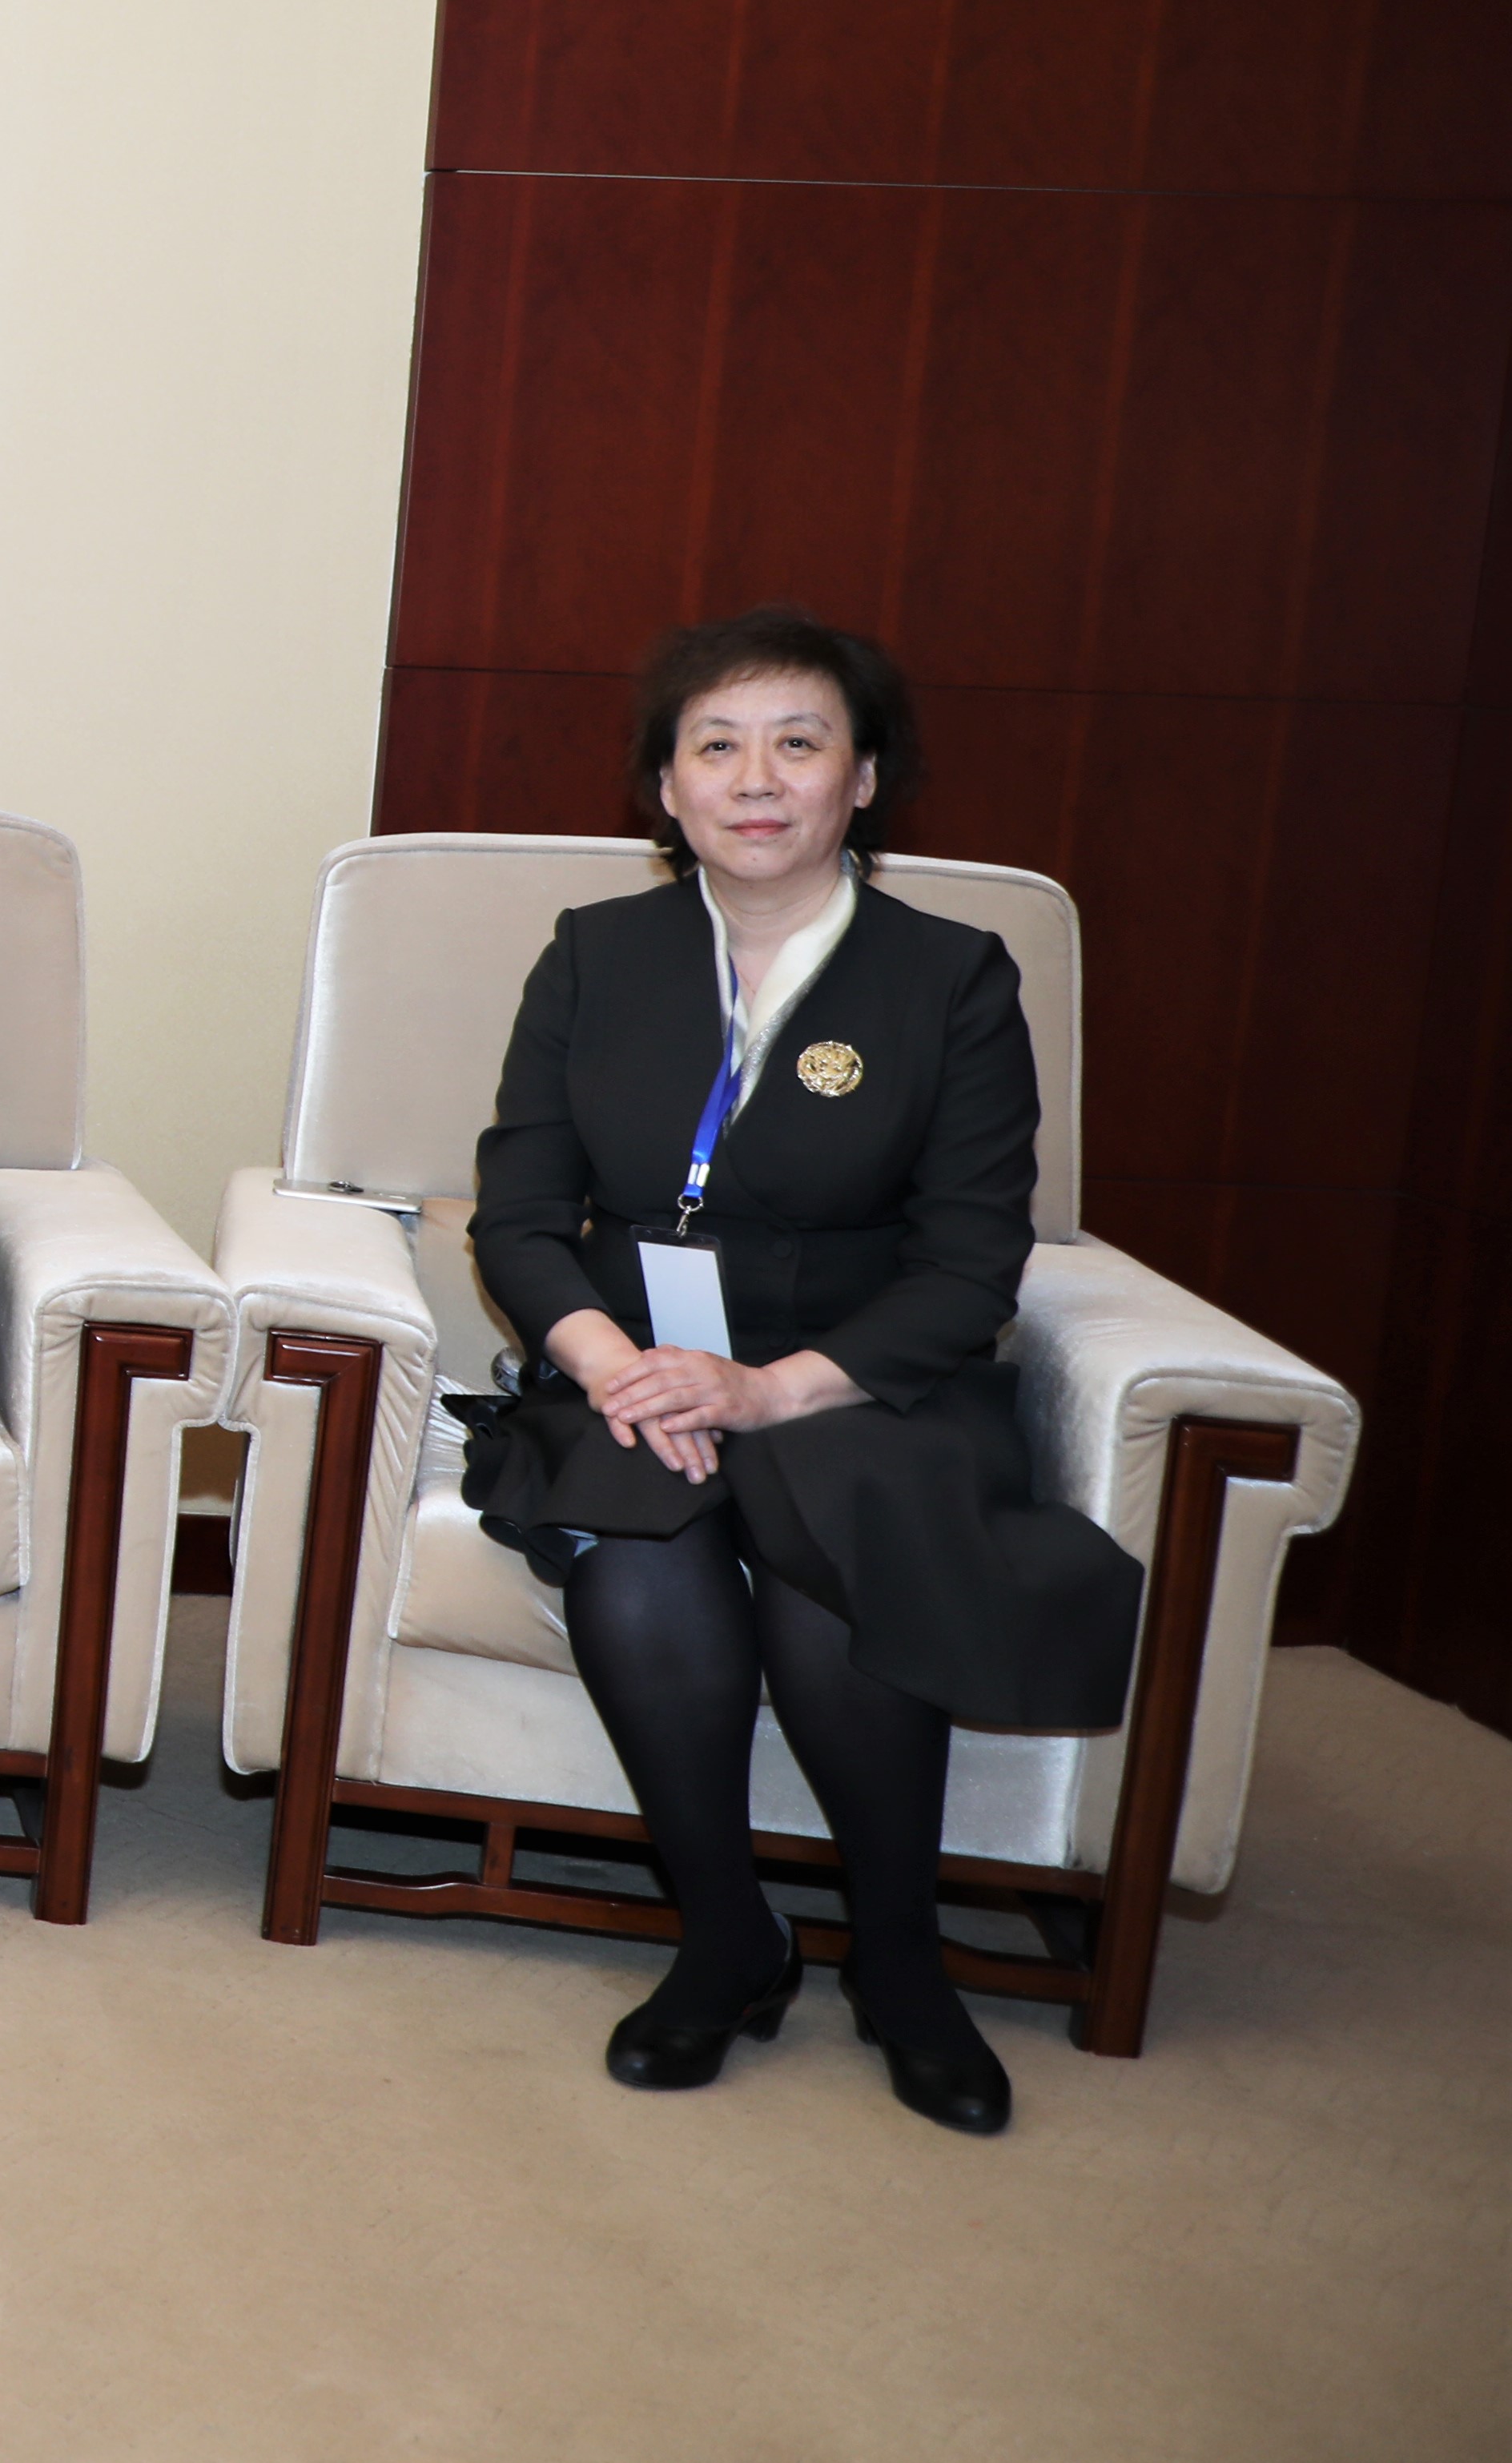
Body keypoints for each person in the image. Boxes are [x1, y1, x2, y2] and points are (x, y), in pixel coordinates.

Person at [462, 609, 1142, 2138]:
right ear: (666, 788)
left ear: (864, 777)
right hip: (633, 1366)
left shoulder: (950, 979)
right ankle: (728, 1938)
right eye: (716, 746)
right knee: (641, 1566)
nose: (755, 779)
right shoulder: (595, 956)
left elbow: (970, 1265)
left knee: (835, 1567)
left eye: (798, 743)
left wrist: (770, 1391)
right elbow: (519, 1216)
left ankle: (901, 1959)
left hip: (858, 1385)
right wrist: (617, 1370)